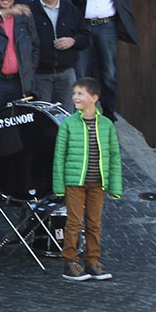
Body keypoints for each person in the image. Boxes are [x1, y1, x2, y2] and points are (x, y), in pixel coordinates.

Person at [60, 0, 156, 118]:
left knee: (109, 74)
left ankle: (109, 115)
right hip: (83, 28)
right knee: (81, 72)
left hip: (107, 27)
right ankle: (80, 114)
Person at [52, 78, 121, 282]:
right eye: (74, 93)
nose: (75, 97)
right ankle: (70, 262)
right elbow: (59, 156)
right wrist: (59, 186)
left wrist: (115, 185)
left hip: (97, 183)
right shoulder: (68, 124)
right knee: (73, 223)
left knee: (94, 223)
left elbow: (114, 157)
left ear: (94, 98)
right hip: (75, 182)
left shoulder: (106, 125)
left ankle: (92, 261)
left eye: (80, 93)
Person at [29, 0, 89, 107]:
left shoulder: (71, 10)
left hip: (66, 74)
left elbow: (86, 37)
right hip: (39, 75)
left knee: (66, 117)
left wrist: (73, 41)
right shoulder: (28, 11)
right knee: (41, 117)